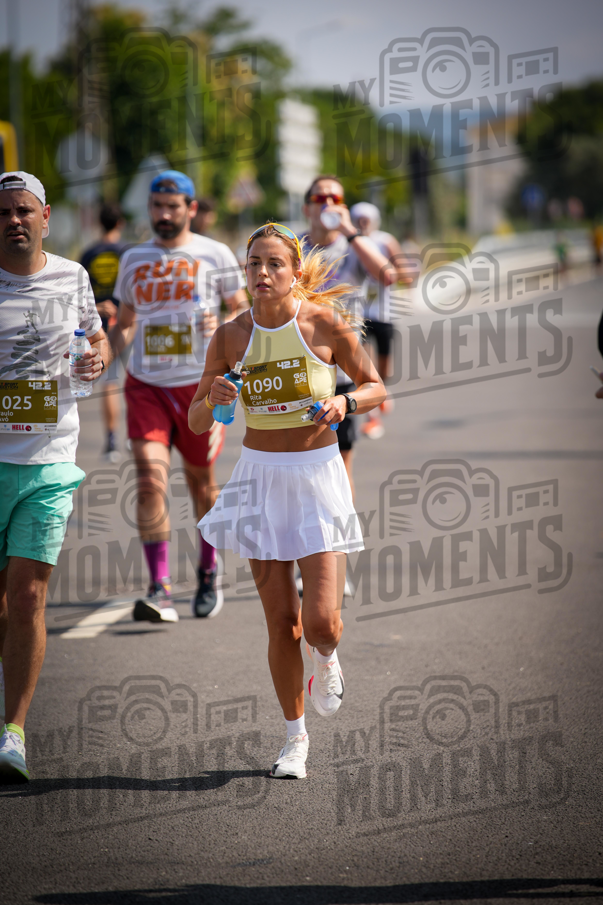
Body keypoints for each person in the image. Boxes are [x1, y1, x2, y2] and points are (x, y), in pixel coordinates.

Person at [189, 223, 386, 779]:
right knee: (281, 622)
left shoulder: (322, 323)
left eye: (275, 263)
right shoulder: (230, 336)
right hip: (260, 481)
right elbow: (198, 419)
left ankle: (327, 657)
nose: (263, 273)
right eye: (254, 263)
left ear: (295, 270)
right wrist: (215, 397)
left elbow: (375, 386)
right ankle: (294, 740)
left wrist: (346, 404)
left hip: (317, 476)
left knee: (321, 622)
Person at [0, 171, 108, 782]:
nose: (13, 221)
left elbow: (95, 340)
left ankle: (13, 732)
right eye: (3, 213)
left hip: (49, 459)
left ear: (44, 217)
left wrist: (97, 358)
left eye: (24, 210)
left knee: (28, 597)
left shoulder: (72, 276)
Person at [110, 170, 248, 623]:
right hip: (146, 384)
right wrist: (103, 351)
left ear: (190, 208)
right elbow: (126, 321)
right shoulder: (134, 258)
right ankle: (160, 588)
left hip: (199, 388)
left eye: (172, 207)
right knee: (149, 478)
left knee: (200, 485)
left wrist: (222, 326)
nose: (163, 215)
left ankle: (208, 570)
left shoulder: (215, 252)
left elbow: (242, 309)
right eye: (157, 206)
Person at [350, 201, 410, 440]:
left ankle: (382, 390)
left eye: (367, 220)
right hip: (359, 315)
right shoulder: (349, 243)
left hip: (384, 313)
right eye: (358, 220)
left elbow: (405, 274)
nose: (363, 224)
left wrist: (384, 272)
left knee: (385, 370)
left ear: (375, 221)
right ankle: (372, 418)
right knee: (366, 369)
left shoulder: (385, 241)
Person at [80, 202, 128, 461]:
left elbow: (78, 293)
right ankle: (137, 433)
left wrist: (97, 307)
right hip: (128, 322)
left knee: (110, 381)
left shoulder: (89, 254)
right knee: (137, 381)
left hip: (100, 326)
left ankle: (111, 440)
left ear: (100, 223)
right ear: (120, 223)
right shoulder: (128, 252)